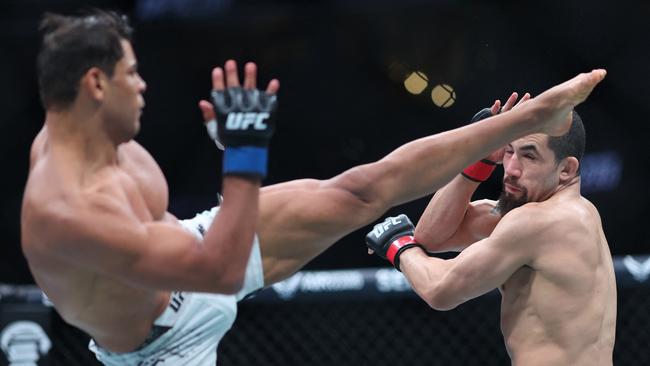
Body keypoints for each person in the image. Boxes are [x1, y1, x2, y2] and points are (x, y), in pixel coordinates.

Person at [21, 9, 606, 366]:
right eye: (131, 75)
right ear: (95, 84)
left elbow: (423, 242)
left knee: (358, 192)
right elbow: (220, 271)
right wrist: (244, 153)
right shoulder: (67, 214)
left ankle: (527, 119)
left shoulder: (97, 132)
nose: (144, 87)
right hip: (160, 346)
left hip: (189, 247)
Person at [366, 94, 616, 366]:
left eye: (529, 156)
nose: (511, 169)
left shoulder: (539, 222)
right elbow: (432, 237)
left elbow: (439, 290)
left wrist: (398, 245)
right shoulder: (570, 212)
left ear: (566, 169)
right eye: (508, 151)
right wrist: (478, 158)